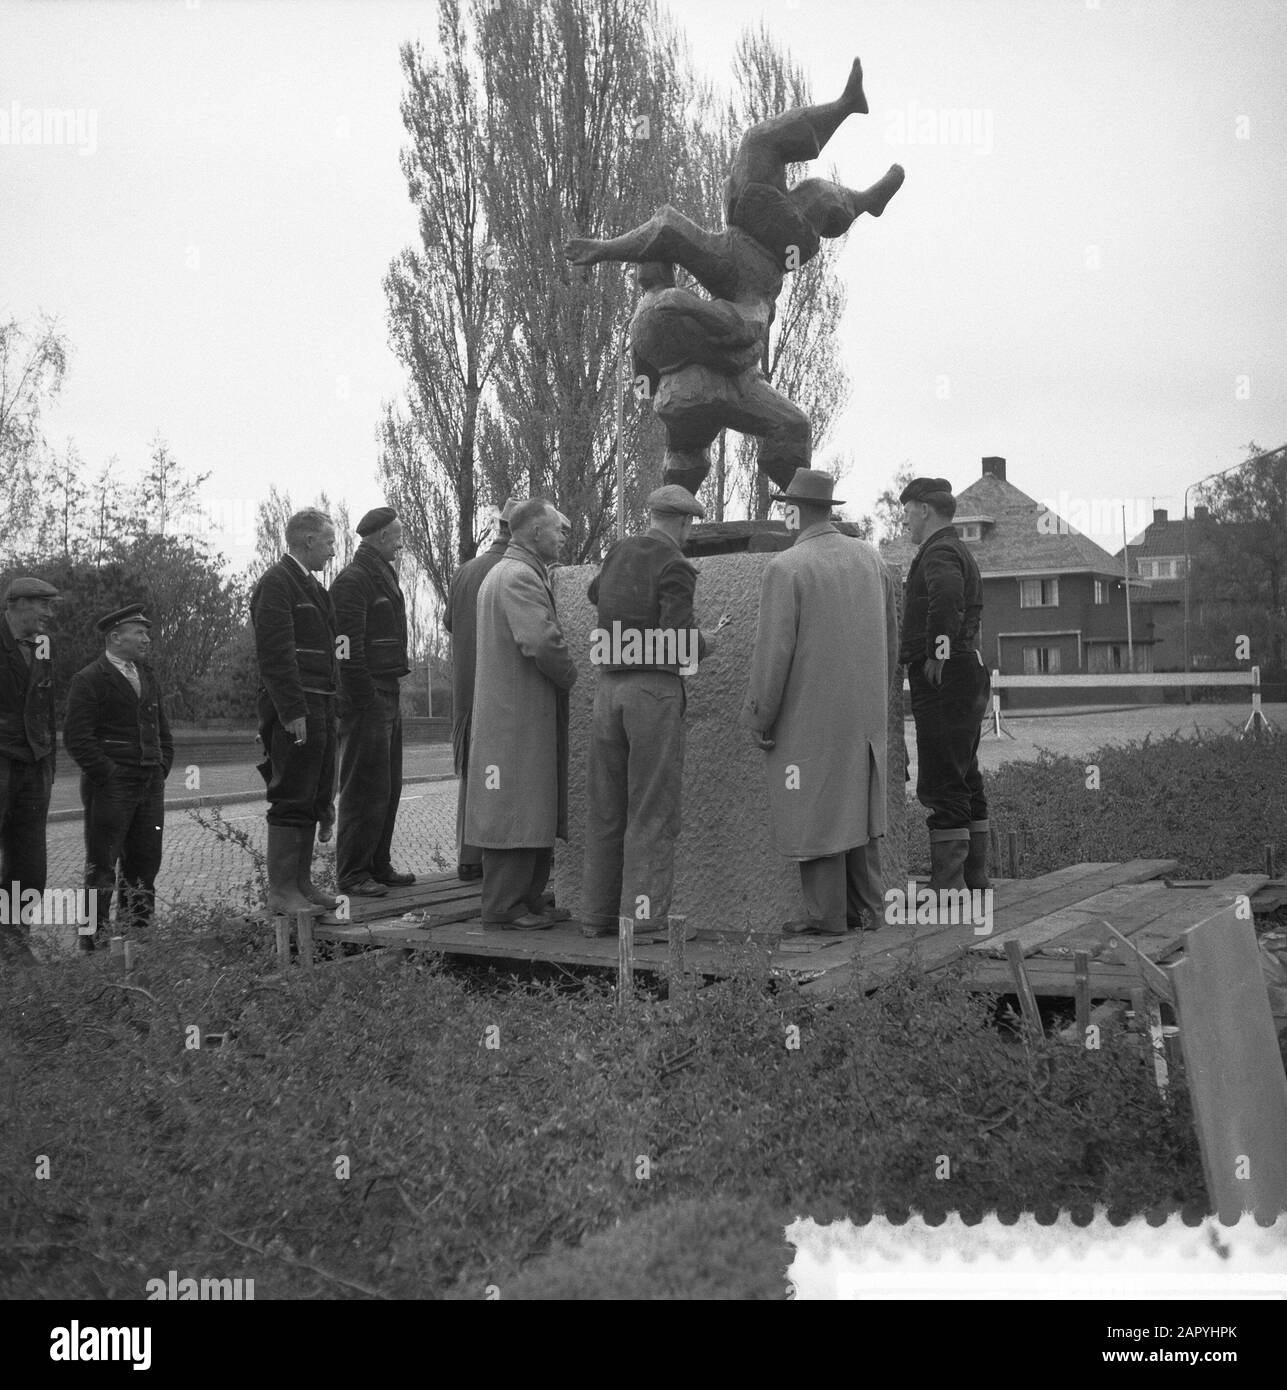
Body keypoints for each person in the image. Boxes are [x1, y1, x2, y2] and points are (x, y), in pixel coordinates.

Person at [566, 57, 903, 495]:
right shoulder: (683, 319)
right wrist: (695, 311)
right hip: (769, 251)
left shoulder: (653, 325)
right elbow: (749, 321)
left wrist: (604, 250)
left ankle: (849, 128)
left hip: (741, 239)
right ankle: (862, 191)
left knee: (745, 162)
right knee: (806, 186)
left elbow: (666, 233)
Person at [742, 469, 897, 934]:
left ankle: (827, 917)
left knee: (815, 812)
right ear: (829, 509)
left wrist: (758, 717)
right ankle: (870, 911)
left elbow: (773, 656)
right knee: (860, 812)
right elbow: (891, 640)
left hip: (809, 717)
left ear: (794, 511)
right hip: (866, 714)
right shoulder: (872, 560)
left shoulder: (786, 568)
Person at [579, 485, 721, 941]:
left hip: (608, 693)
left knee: (607, 810)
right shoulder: (677, 566)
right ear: (682, 523)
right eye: (689, 526)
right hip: (653, 694)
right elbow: (678, 641)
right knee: (651, 810)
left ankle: (597, 919)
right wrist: (708, 642)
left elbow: (593, 592)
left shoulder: (619, 551)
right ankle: (645, 921)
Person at [463, 498, 577, 930]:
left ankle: (526, 899)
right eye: (557, 528)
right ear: (532, 533)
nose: (564, 535)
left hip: (516, 716)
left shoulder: (512, 572)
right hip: (516, 720)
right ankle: (503, 905)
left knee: (529, 803)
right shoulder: (518, 577)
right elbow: (540, 642)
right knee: (515, 806)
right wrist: (569, 673)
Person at [64, 603, 173, 949]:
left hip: (149, 782)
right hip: (111, 786)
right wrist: (108, 775)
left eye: (147, 632)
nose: (147, 639)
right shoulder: (89, 679)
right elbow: (77, 738)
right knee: (102, 868)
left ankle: (137, 940)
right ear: (115, 637)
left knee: (144, 865)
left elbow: (162, 730)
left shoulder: (148, 675)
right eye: (139, 632)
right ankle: (93, 945)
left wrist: (161, 765)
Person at [899, 477, 990, 891]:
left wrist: (937, 652)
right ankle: (974, 878)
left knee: (941, 778)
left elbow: (947, 596)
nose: (904, 520)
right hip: (965, 670)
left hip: (945, 675)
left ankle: (949, 887)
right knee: (964, 773)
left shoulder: (938, 552)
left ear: (922, 509)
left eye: (907, 511)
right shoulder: (955, 548)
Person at [250, 507, 340, 915]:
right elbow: (275, 654)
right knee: (291, 792)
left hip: (319, 701)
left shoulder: (314, 589)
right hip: (295, 705)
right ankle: (282, 891)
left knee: (314, 790)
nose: (333, 551)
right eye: (329, 542)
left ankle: (301, 884)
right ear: (307, 541)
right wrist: (291, 711)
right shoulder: (277, 584)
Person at [331, 506, 415, 897]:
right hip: (369, 696)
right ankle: (352, 873)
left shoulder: (378, 573)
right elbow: (344, 647)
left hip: (387, 691)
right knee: (364, 786)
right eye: (397, 536)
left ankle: (377, 865)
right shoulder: (354, 580)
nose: (400, 543)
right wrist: (363, 696)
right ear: (381, 537)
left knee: (387, 785)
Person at [444, 496, 520, 881]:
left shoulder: (465, 571)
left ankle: (468, 855)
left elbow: (450, 623)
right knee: (503, 774)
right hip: (500, 692)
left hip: (465, 693)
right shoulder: (518, 570)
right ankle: (501, 863)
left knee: (472, 776)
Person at [0, 576, 59, 965]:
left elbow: (46, 707)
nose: (48, 615)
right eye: (43, 605)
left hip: (34, 767)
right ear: (18, 603)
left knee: (31, 871)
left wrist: (49, 762)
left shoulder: (43, 648)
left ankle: (14, 941)